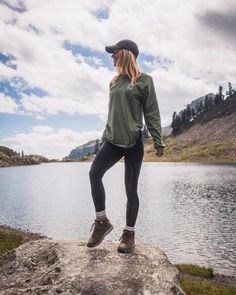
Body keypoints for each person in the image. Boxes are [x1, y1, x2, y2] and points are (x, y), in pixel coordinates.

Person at [87, 39, 165, 253]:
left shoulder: (145, 81)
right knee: (94, 174)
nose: (112, 57)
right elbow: (111, 114)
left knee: (131, 189)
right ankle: (102, 222)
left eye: (115, 53)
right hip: (112, 140)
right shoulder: (113, 82)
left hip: (133, 142)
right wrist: (104, 139)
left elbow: (152, 113)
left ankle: (128, 234)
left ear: (126, 54)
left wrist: (158, 142)